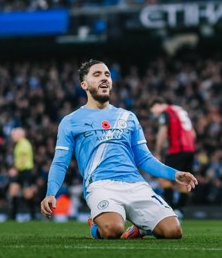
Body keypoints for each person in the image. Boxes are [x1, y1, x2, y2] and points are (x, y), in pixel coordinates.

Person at [40, 60, 198, 239]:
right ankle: (95, 224)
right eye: (97, 74)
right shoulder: (70, 121)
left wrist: (174, 174)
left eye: (107, 75)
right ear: (84, 85)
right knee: (113, 230)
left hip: (136, 185)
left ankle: (140, 228)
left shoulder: (128, 117)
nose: (104, 78)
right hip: (101, 185)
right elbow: (60, 163)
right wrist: (51, 193)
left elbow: (144, 158)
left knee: (173, 231)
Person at [149, 98, 197, 211]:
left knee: (163, 179)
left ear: (157, 105)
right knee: (184, 182)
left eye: (153, 111)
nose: (154, 114)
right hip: (190, 150)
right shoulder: (181, 111)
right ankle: (180, 210)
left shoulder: (166, 112)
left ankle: (171, 208)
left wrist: (157, 152)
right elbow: (193, 134)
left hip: (177, 150)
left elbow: (162, 132)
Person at [9, 127, 37, 220]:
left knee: (27, 194)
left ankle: (33, 215)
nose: (12, 136)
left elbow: (23, 158)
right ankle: (13, 216)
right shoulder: (19, 144)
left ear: (20, 135)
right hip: (21, 171)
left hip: (25, 171)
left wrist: (15, 169)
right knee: (13, 190)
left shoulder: (24, 144)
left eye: (14, 134)